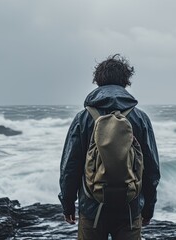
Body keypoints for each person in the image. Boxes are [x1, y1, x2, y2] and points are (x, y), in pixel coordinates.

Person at [59, 54, 160, 240]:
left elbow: (70, 167)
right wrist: (148, 208)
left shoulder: (83, 118)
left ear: (98, 81)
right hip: (129, 209)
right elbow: (152, 169)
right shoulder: (140, 119)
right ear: (125, 82)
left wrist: (67, 204)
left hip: (92, 208)